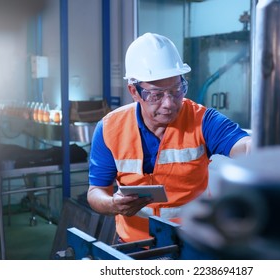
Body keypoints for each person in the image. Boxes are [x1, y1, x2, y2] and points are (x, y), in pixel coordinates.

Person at [87, 32, 252, 243]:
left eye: (176, 90)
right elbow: (96, 192)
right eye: (156, 95)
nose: (169, 103)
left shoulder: (203, 120)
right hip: (134, 245)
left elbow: (245, 146)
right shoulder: (110, 128)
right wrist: (113, 204)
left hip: (193, 243)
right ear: (134, 91)